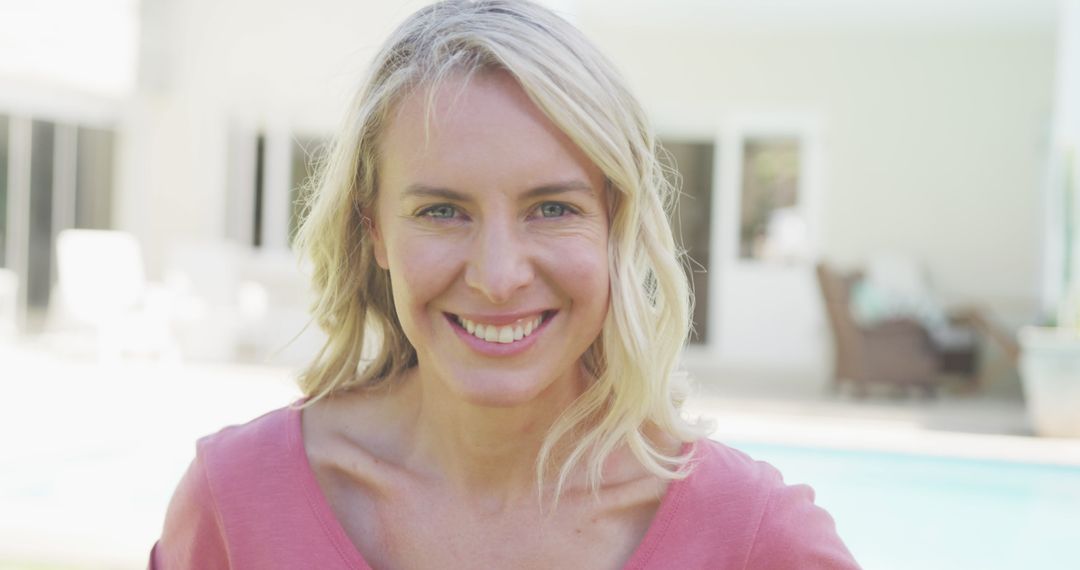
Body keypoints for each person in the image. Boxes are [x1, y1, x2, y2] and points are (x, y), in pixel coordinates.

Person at [150, 1, 860, 568]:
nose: (497, 276)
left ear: (616, 226)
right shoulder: (237, 501)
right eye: (441, 211)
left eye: (552, 208)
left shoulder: (753, 534)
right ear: (375, 234)